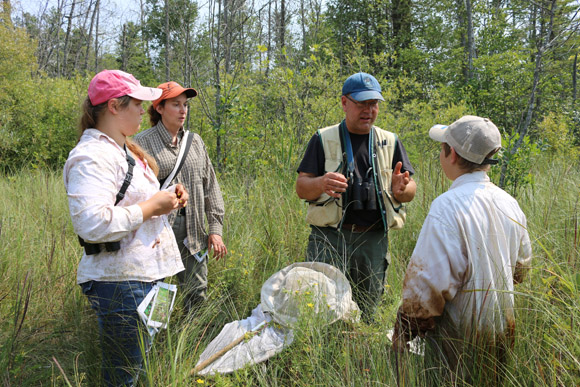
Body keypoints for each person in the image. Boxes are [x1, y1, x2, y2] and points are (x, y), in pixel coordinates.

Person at [63, 70, 188, 386]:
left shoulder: (124, 150)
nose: (141, 110)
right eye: (136, 104)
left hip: (147, 275)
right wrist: (151, 207)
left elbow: (140, 209)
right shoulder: (92, 155)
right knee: (123, 376)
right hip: (121, 282)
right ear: (114, 106)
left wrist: (169, 201)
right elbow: (93, 224)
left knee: (140, 364)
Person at [392, 116, 533, 384]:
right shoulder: (510, 203)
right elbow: (521, 269)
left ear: (452, 154)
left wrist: (403, 332)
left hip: (457, 341)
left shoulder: (447, 207)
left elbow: (425, 288)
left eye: (442, 147)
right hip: (502, 334)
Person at [295, 72, 417, 321]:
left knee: (368, 311)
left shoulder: (390, 141)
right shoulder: (323, 138)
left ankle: (361, 357)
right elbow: (301, 187)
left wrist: (401, 190)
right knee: (323, 308)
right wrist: (321, 182)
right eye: (361, 103)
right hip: (329, 238)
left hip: (373, 240)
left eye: (373, 104)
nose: (368, 110)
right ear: (344, 102)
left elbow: (410, 189)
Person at [134, 81, 227, 315]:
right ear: (159, 108)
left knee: (196, 291)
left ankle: (195, 342)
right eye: (175, 104)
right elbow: (136, 192)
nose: (183, 110)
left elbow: (211, 186)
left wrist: (215, 229)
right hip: (160, 230)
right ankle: (159, 344)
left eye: (185, 105)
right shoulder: (142, 143)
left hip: (194, 229)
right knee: (160, 291)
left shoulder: (195, 142)